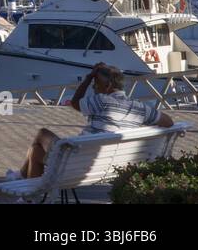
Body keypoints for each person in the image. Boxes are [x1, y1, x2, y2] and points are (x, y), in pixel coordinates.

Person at [13, 63, 174, 179]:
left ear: (108, 85)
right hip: (107, 165)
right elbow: (169, 122)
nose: (94, 89)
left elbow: (75, 103)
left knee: (42, 134)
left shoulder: (102, 100)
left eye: (95, 85)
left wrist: (88, 78)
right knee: (36, 151)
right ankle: (23, 188)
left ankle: (22, 181)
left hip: (76, 163)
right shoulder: (140, 108)